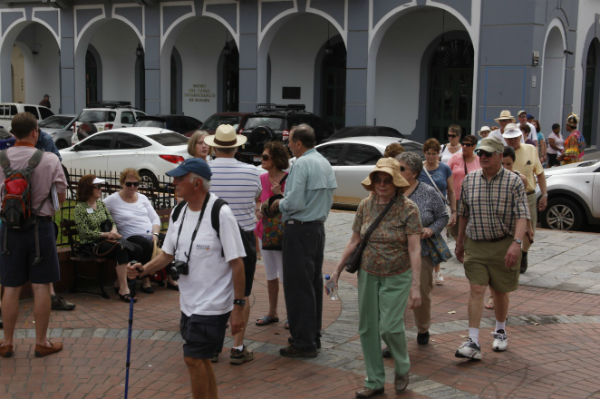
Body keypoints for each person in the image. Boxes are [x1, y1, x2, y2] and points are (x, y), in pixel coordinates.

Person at [127, 158, 245, 398]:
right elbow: (168, 254)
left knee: (192, 358)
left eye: (180, 179)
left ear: (197, 183)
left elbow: (237, 263)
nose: (174, 183)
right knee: (200, 360)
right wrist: (144, 269)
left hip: (213, 304)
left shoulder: (220, 213)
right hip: (189, 302)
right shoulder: (179, 211)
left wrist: (238, 306)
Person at [331, 157, 421, 398]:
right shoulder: (365, 205)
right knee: (368, 328)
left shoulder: (408, 208)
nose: (381, 184)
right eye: (377, 180)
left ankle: (402, 367)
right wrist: (337, 271)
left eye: (387, 180)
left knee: (391, 327)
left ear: (396, 183)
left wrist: (416, 286)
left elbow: (414, 248)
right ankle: (374, 380)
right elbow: (354, 241)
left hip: (397, 275)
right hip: (368, 273)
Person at [454, 137, 529, 360]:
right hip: (476, 244)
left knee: (499, 292)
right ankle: (473, 341)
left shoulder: (513, 181)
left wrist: (516, 244)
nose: (483, 157)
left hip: (503, 244)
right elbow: (463, 214)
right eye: (480, 153)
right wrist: (459, 243)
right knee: (477, 290)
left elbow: (522, 215)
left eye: (488, 153)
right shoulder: (470, 180)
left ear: (499, 155)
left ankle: (500, 330)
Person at [0, 112, 67, 358]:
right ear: (35, 132)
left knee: (10, 286)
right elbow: (61, 195)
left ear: (12, 134)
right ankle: (41, 342)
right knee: (41, 286)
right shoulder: (49, 159)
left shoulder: (1, 159)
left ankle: (6, 342)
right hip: (40, 227)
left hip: (10, 229)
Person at [270, 123, 337, 358]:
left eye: (290, 142)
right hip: (317, 229)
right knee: (312, 285)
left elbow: (295, 202)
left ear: (298, 143)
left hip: (299, 230)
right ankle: (312, 336)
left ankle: (303, 341)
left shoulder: (302, 164)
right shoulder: (324, 163)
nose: (289, 146)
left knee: (298, 287)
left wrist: (279, 203)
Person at [205, 124, 261, 365]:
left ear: (214, 146)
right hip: (242, 236)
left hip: (212, 236)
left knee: (212, 292)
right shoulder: (252, 172)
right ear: (237, 148)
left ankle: (213, 347)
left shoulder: (204, 171)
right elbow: (257, 199)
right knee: (243, 293)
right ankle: (237, 347)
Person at [396, 152, 449, 347]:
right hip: (395, 252)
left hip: (422, 251)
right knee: (394, 296)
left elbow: (443, 216)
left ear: (415, 173)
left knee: (422, 293)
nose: (397, 172)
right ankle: (394, 337)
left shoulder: (428, 192)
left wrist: (431, 229)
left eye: (402, 169)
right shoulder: (391, 190)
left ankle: (423, 328)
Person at [104, 168, 173, 293]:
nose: (132, 187)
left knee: (170, 241)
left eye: (135, 184)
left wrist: (156, 234)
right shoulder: (112, 200)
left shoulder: (142, 198)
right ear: (122, 183)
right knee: (145, 244)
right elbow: (98, 211)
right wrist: (111, 227)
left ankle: (170, 278)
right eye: (128, 184)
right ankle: (145, 279)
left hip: (150, 234)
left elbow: (155, 218)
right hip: (130, 237)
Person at [73, 174, 135, 302]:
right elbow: (84, 233)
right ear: (88, 189)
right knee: (121, 247)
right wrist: (106, 235)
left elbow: (111, 221)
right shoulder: (80, 208)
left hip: (109, 240)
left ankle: (121, 282)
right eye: (98, 187)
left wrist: (113, 231)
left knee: (132, 246)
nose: (101, 189)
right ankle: (124, 289)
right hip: (92, 245)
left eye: (101, 186)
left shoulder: (100, 204)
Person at [503, 124, 547, 274]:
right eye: (509, 138)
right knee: (510, 228)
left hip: (528, 194)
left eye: (515, 137)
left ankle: (524, 253)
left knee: (530, 230)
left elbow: (540, 173)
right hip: (508, 196)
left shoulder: (530, 150)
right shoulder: (501, 152)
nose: (513, 141)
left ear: (520, 136)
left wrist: (545, 194)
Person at [254, 141, 289, 327]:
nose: (262, 159)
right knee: (270, 275)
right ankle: (272, 312)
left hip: (283, 233)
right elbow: (259, 202)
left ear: (275, 159)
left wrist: (279, 194)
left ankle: (291, 313)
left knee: (285, 275)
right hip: (265, 232)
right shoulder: (262, 179)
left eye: (266, 157)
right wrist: (258, 210)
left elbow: (292, 205)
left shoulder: (288, 179)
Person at [418, 138, 455, 285]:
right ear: (424, 153)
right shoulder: (419, 168)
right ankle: (423, 268)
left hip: (440, 209)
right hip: (423, 208)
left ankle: (437, 270)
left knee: (439, 237)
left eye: (434, 153)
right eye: (428, 153)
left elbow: (451, 191)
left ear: (438, 154)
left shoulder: (444, 169)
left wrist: (454, 211)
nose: (431, 157)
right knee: (423, 237)